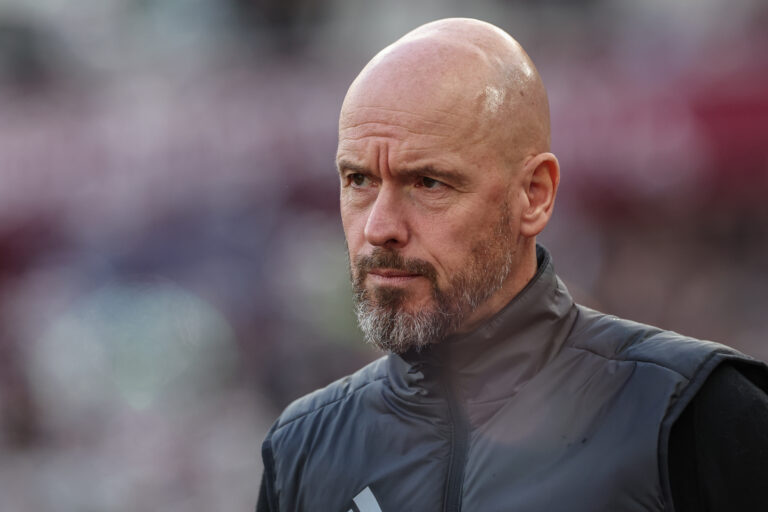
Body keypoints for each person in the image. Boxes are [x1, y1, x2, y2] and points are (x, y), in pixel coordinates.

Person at [256, 18, 768, 512]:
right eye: (359, 181)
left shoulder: (693, 413)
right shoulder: (302, 450)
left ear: (534, 195)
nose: (378, 227)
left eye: (429, 183)